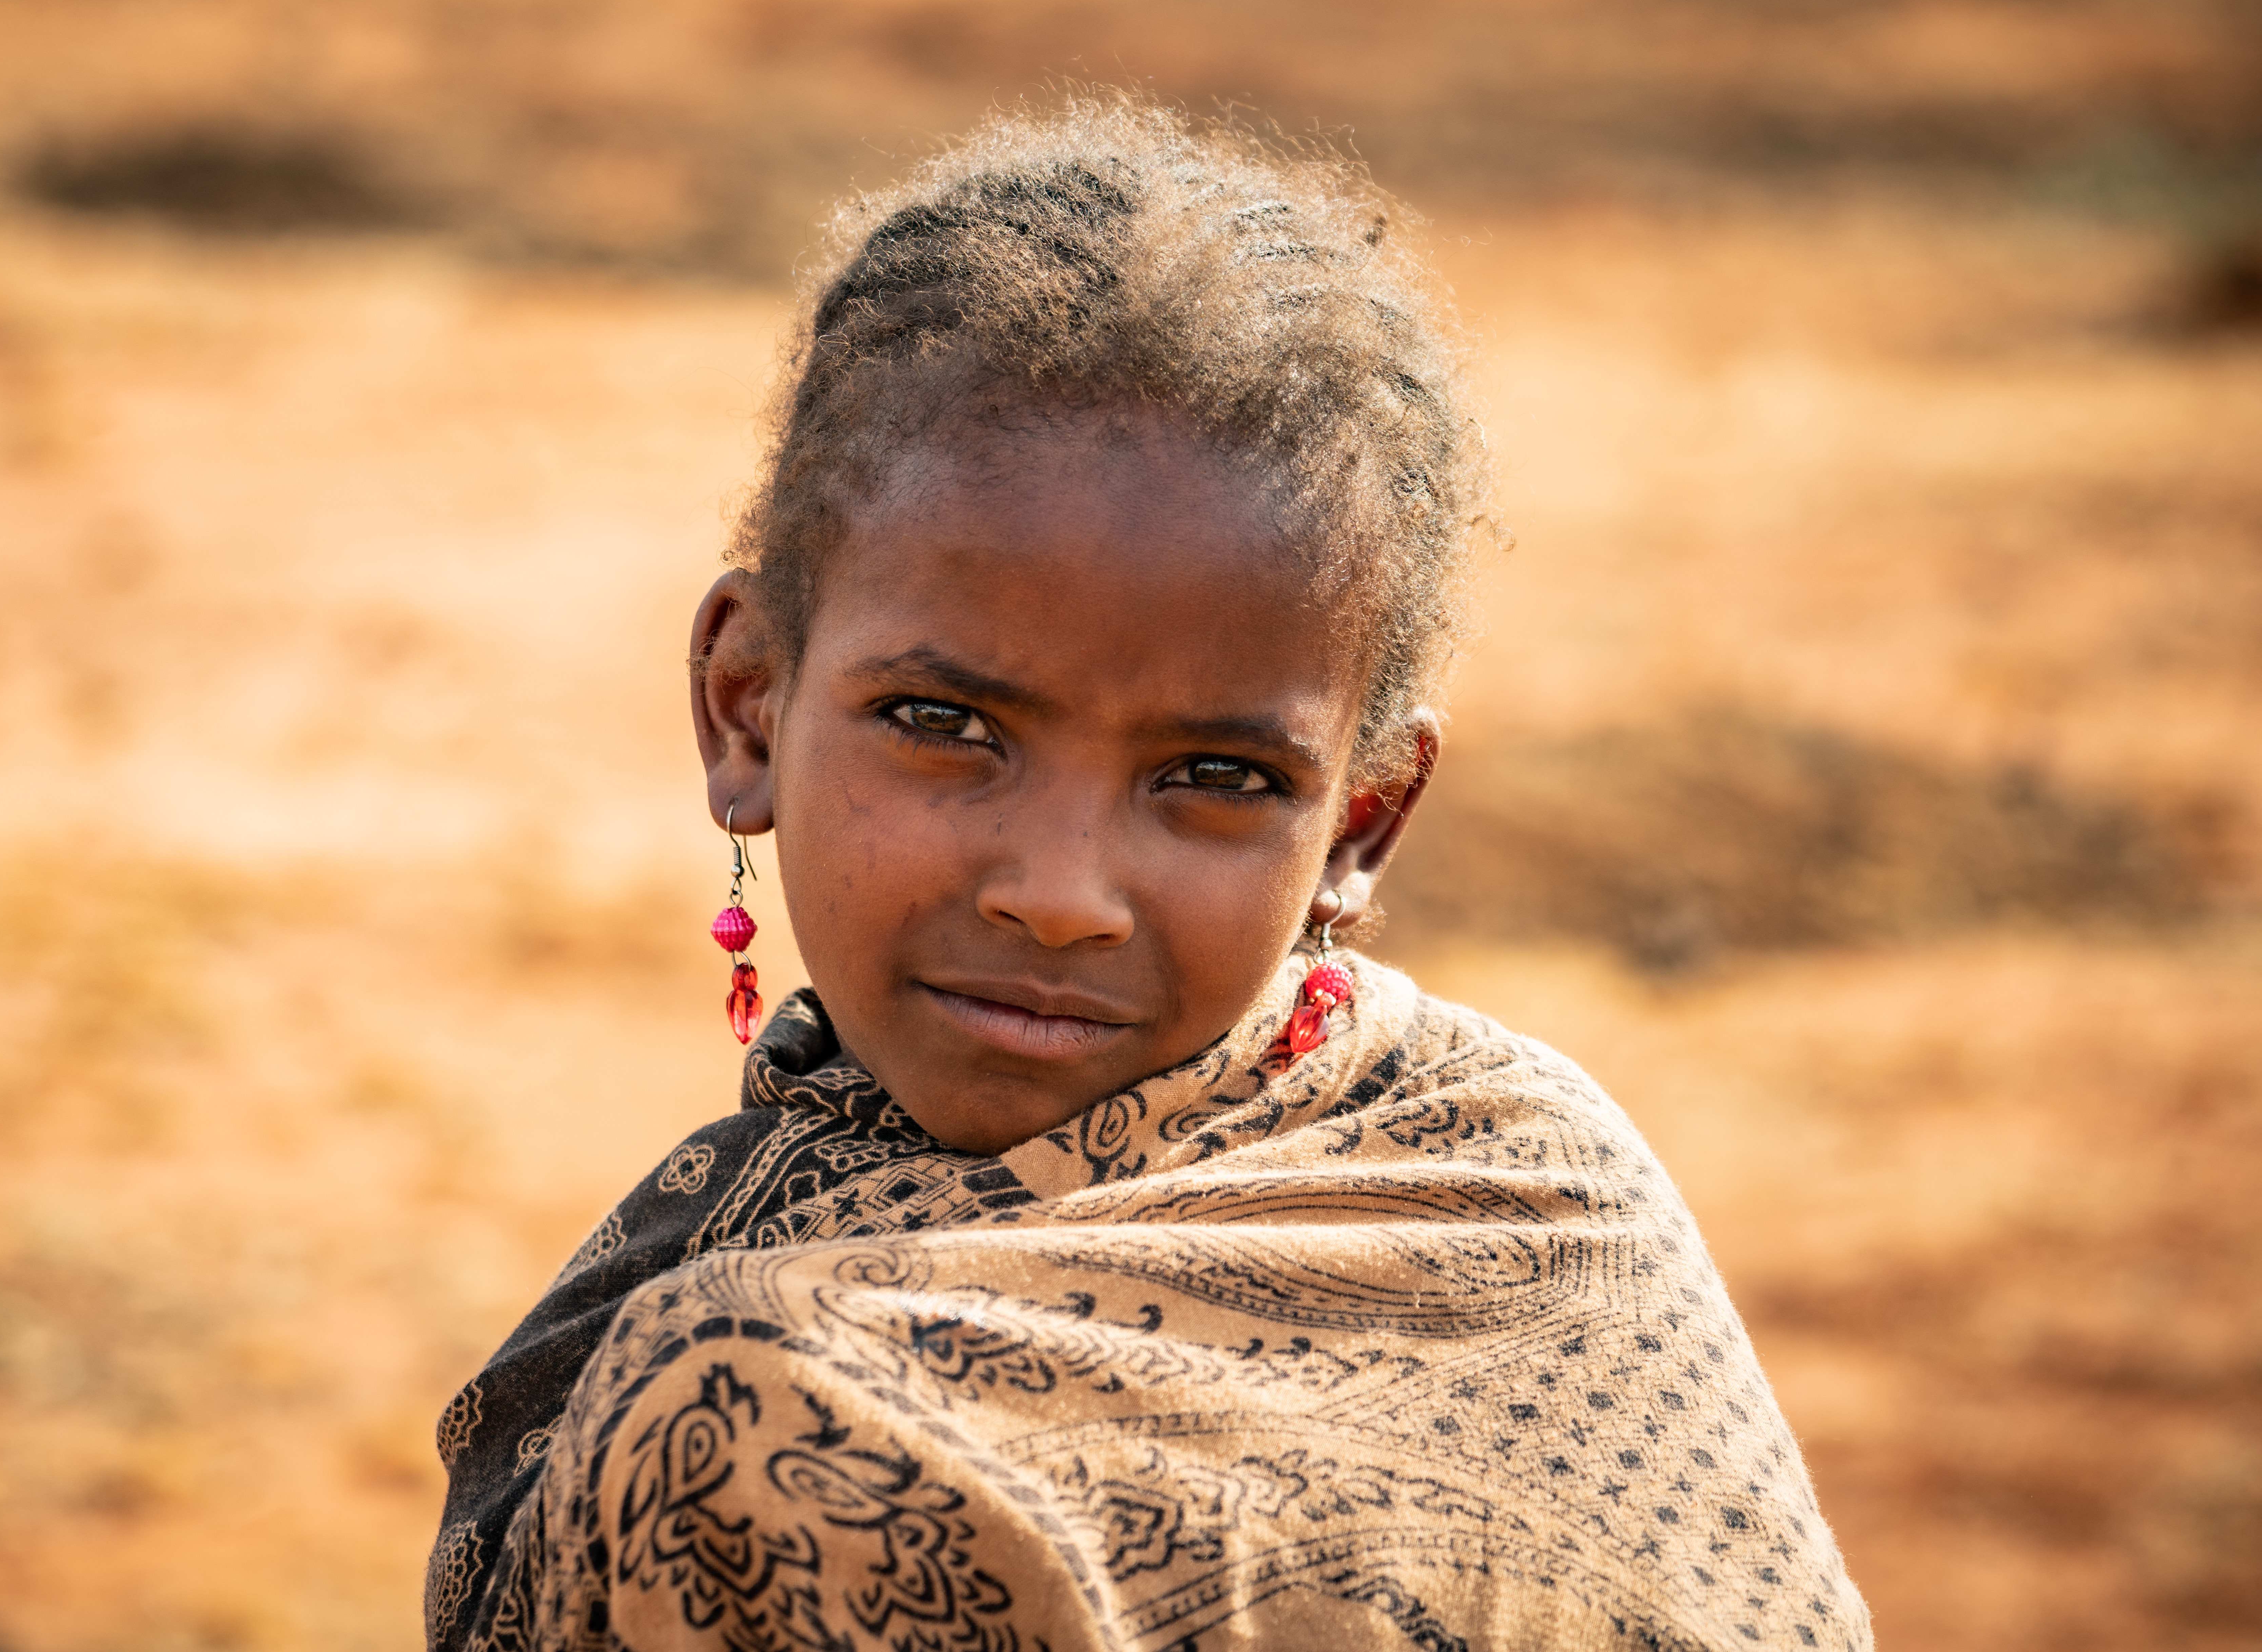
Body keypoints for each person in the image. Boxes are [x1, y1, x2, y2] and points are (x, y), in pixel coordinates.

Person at [424, 99, 1869, 1652]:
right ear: (747, 704)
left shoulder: (1518, 1210)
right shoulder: (745, 1249)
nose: (1060, 894)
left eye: (1217, 779)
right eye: (944, 725)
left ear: (1362, 823)